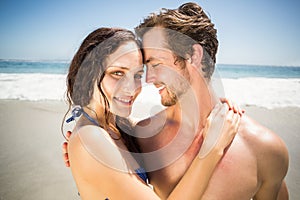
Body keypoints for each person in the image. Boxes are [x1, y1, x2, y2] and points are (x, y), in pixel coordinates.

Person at [132, 2, 289, 199]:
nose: (149, 79)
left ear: (194, 55)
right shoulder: (143, 137)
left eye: (155, 64)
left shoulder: (265, 148)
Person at [63, 27, 241, 199]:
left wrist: (216, 106)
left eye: (138, 75)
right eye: (117, 73)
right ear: (88, 72)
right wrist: (212, 150)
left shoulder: (115, 126)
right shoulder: (92, 137)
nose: (131, 88)